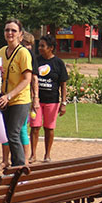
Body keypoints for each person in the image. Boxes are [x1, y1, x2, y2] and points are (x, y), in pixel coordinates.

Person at [0, 18, 33, 168]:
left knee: (14, 133)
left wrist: (9, 95)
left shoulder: (23, 53)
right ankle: (15, 166)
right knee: (9, 134)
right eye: (7, 30)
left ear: (20, 34)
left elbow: (27, 79)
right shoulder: (1, 51)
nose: (10, 33)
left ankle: (19, 168)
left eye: (13, 30)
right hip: (5, 100)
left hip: (19, 100)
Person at [30, 34, 68, 162]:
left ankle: (47, 154)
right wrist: (32, 97)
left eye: (43, 46)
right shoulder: (36, 60)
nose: (40, 48)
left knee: (49, 128)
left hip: (52, 101)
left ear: (51, 48)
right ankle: (33, 154)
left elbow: (63, 84)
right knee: (35, 127)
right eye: (39, 46)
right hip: (37, 101)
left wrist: (64, 103)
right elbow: (31, 80)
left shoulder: (58, 63)